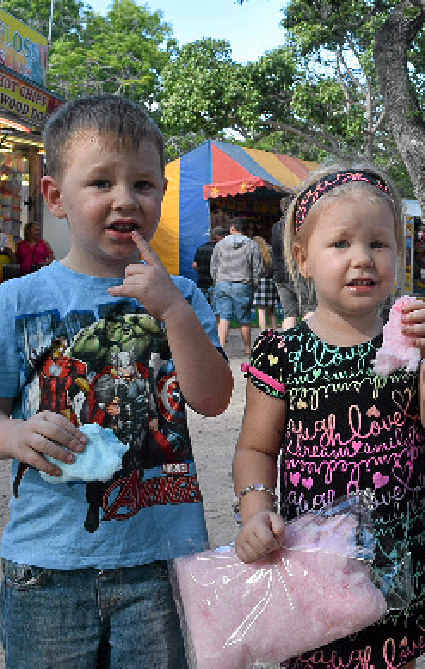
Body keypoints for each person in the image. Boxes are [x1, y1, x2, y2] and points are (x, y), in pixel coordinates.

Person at [0, 94, 233, 668]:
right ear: (55, 196)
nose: (125, 199)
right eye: (100, 183)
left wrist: (173, 311)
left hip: (161, 563)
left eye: (144, 185)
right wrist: (13, 437)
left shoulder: (185, 294)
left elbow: (212, 398)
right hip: (44, 568)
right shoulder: (16, 302)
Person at [232, 165, 425, 669]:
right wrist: (255, 512)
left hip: (395, 562)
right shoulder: (283, 351)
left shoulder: (406, 347)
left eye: (378, 244)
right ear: (303, 260)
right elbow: (256, 447)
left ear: (398, 256)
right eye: (340, 243)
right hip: (313, 564)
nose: (362, 258)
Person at [211, 218, 262, 351]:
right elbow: (257, 268)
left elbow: (214, 266)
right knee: (244, 319)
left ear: (232, 228)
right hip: (242, 284)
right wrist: (253, 285)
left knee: (224, 316)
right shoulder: (252, 245)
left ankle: (221, 348)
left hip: (222, 283)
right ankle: (247, 348)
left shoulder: (220, 244)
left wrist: (217, 281)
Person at [271, 196, 313, 329]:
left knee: (290, 314)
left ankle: (289, 346)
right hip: (298, 272)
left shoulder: (276, 226)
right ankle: (309, 344)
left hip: (280, 275)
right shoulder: (298, 225)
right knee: (308, 309)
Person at [192, 225, 226, 300]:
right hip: (216, 285)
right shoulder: (221, 250)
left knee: (203, 307)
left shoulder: (201, 248)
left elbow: (194, 265)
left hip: (202, 283)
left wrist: (202, 271)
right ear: (220, 237)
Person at [251, 234, 277, 329]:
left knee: (261, 310)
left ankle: (264, 333)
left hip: (259, 281)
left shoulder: (254, 252)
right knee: (272, 310)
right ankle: (275, 332)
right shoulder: (270, 250)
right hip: (271, 281)